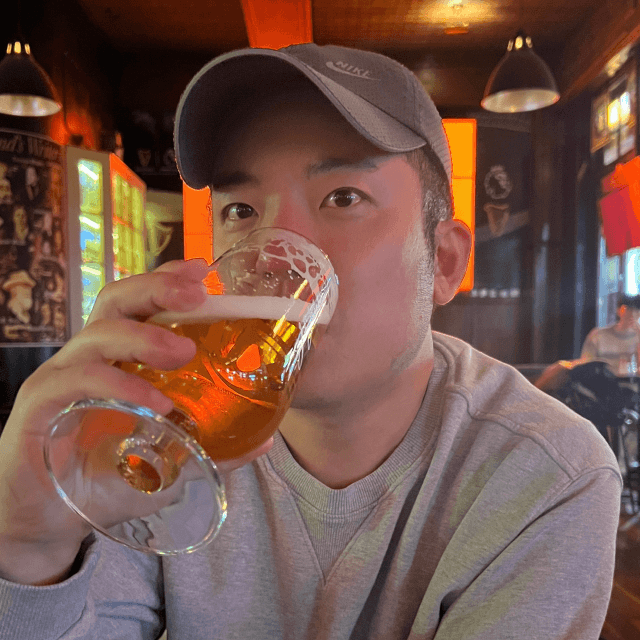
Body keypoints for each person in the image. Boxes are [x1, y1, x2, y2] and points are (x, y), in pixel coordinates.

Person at [0, 44, 621, 639]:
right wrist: (28, 545)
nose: (275, 251)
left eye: (343, 197)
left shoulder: (545, 473)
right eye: (241, 211)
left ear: (444, 260)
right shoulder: (166, 428)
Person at [581, 294, 640, 376]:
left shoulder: (638, 336)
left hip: (629, 382)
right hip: (600, 381)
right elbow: (585, 365)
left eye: (637, 310)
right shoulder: (598, 335)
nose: (632, 314)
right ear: (619, 310)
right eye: (628, 310)